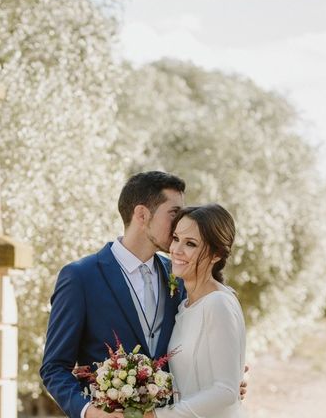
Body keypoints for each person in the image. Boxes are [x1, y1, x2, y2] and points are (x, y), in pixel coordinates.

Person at [40, 172, 247, 418]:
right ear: (142, 215)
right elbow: (54, 368)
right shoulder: (80, 277)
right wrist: (89, 412)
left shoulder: (180, 275)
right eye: (174, 213)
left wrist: (224, 381)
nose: (180, 222)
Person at [116, 204, 247, 418]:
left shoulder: (218, 304)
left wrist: (156, 416)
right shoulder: (183, 305)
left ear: (216, 254)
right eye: (176, 238)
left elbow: (225, 391)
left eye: (191, 244)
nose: (176, 250)